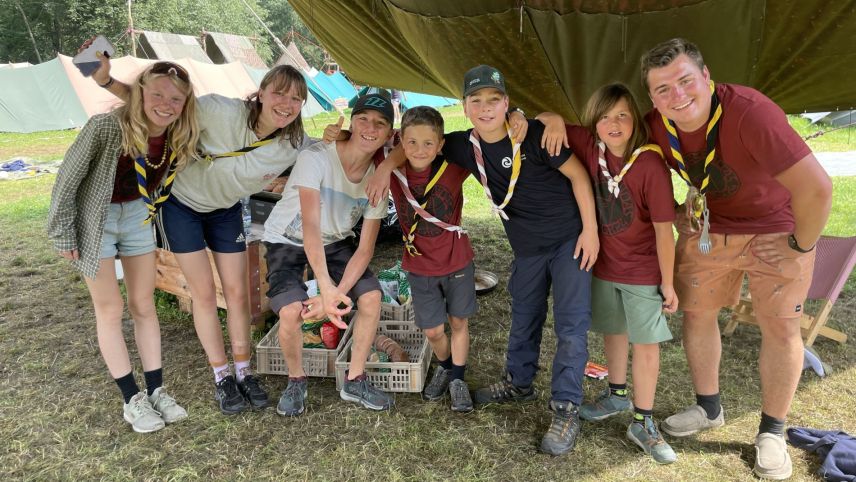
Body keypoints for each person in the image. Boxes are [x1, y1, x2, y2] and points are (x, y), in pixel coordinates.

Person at [90, 53, 339, 415]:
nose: (286, 104)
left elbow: (333, 149)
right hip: (181, 206)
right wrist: (106, 81)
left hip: (225, 211)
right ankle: (222, 376)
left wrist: (337, 136)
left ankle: (244, 371)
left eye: (296, 98)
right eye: (279, 93)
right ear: (261, 93)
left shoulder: (294, 143)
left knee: (238, 293)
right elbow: (161, 106)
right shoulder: (219, 111)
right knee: (204, 294)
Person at [375, 65, 598, 455]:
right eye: (475, 101)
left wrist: (590, 231)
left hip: (569, 242)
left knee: (570, 328)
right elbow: (414, 143)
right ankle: (519, 384)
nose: (485, 108)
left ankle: (565, 409)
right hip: (527, 249)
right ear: (464, 107)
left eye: (494, 100)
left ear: (507, 103)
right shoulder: (463, 145)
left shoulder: (533, 133)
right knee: (524, 316)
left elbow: (579, 177)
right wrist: (383, 166)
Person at [640, 38, 832, 479]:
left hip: (775, 229)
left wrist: (799, 245)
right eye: (663, 89)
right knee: (697, 314)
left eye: (685, 81)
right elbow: (607, 142)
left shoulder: (749, 111)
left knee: (780, 327)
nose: (677, 95)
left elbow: (818, 189)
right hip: (710, 229)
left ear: (706, 76)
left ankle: (772, 432)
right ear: (652, 97)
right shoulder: (655, 124)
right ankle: (709, 408)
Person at [47, 61, 198, 432]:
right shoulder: (106, 126)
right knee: (110, 308)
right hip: (96, 218)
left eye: (175, 99)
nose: (166, 104)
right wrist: (63, 232)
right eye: (157, 94)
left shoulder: (179, 133)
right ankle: (132, 399)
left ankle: (157, 390)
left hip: (137, 215)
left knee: (144, 304)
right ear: (139, 93)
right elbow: (66, 180)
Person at [549, 83, 679, 463]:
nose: (614, 124)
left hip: (642, 270)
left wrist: (668, 282)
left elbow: (664, 231)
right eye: (605, 117)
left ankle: (644, 420)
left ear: (635, 119)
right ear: (595, 123)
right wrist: (552, 119)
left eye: (622, 115)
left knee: (646, 343)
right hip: (604, 266)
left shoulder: (650, 164)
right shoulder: (592, 146)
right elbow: (546, 120)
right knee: (613, 330)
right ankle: (617, 395)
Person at [263, 93, 395, 416]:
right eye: (363, 119)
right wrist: (325, 288)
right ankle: (296, 380)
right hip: (288, 237)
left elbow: (365, 249)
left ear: (389, 134)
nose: (370, 128)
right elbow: (310, 226)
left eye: (380, 124)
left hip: (335, 240)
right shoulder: (317, 157)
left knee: (371, 297)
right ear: (352, 122)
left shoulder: (378, 181)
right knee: (291, 312)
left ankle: (355, 379)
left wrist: (334, 296)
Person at [384, 106, 477, 412]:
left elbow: (483, 138)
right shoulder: (393, 169)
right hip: (419, 265)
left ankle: (458, 378)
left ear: (440, 145)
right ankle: (446, 366)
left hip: (457, 261)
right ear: (400, 140)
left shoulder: (453, 166)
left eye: (428, 143)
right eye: (411, 142)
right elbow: (360, 140)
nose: (420, 150)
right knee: (433, 330)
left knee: (459, 321)